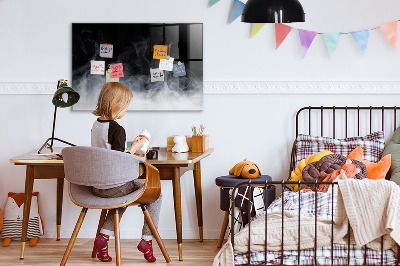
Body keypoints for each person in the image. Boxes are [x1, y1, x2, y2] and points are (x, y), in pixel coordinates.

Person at [91, 82, 161, 263]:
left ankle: (103, 238)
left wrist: (131, 149)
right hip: (114, 186)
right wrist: (136, 148)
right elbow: (119, 161)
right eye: (126, 106)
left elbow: (108, 154)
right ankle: (147, 240)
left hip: (97, 186)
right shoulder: (117, 129)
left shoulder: (96, 125)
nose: (126, 110)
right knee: (156, 194)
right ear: (117, 105)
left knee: (121, 197)